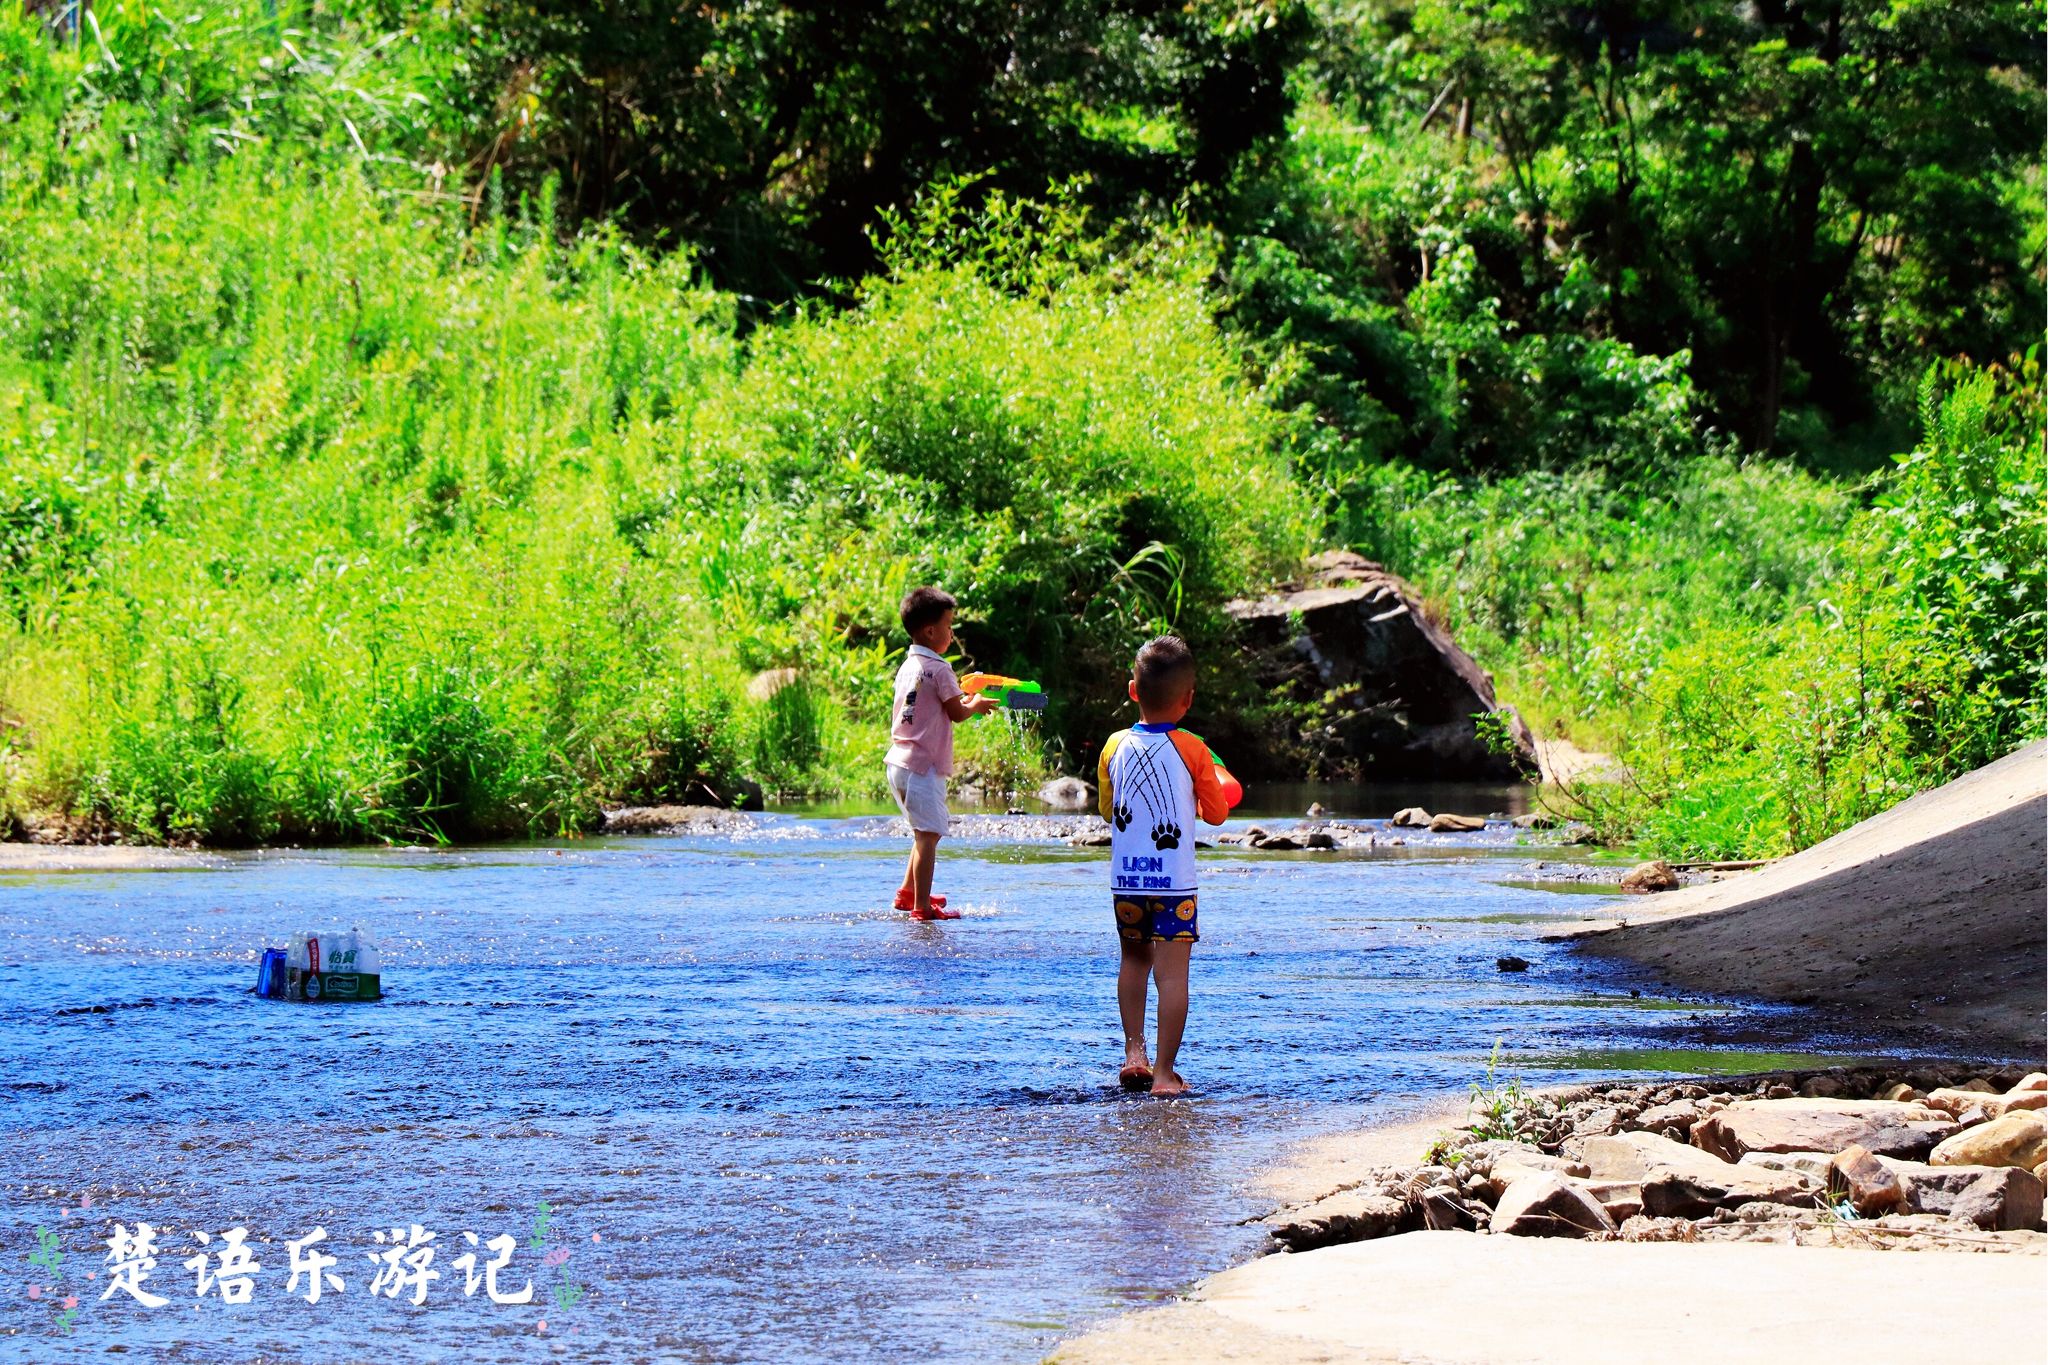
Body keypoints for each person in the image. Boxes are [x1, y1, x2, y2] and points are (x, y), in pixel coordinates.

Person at [1096, 635, 1231, 1096]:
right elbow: (1216, 813)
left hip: (1127, 880)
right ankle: (1165, 1074)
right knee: (1172, 976)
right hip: (1174, 884)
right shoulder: (1193, 749)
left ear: (1133, 690)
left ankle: (1134, 1053)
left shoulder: (1113, 746)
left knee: (1133, 961)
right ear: (1188, 699)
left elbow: (1106, 809)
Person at [885, 586, 999, 919]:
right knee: (929, 835)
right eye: (949, 626)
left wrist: (964, 694)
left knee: (923, 834)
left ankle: (907, 895)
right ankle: (921, 909)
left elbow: (936, 702)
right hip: (923, 767)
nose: (951, 633)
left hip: (899, 762)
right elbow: (956, 712)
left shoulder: (910, 665)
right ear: (930, 630)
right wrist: (974, 704)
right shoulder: (940, 668)